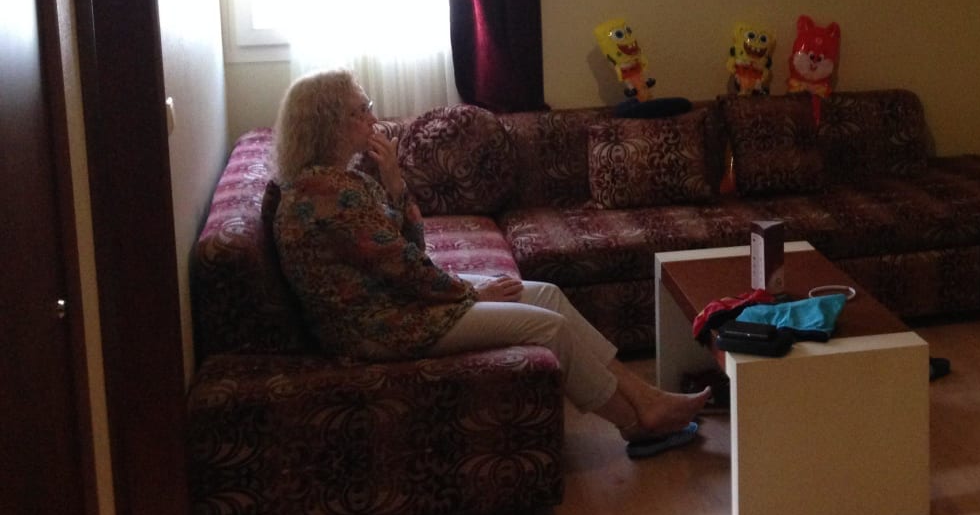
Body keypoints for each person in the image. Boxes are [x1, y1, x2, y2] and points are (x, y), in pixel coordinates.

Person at [269, 69, 709, 455]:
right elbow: (405, 266)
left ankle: (647, 398)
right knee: (548, 327)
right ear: (330, 124)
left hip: (396, 301)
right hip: (380, 326)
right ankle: (635, 424)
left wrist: (395, 183)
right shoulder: (329, 197)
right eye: (360, 109)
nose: (372, 116)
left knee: (547, 295)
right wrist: (471, 294)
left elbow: (409, 252)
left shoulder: (343, 181)